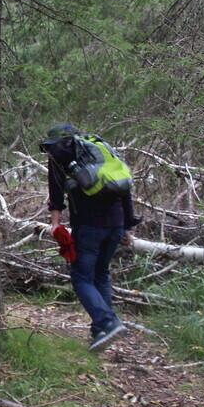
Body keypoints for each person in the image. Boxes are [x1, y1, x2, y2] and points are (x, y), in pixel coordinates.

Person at [41, 124, 139, 352]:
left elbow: (56, 191)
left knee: (82, 279)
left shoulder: (60, 154)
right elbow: (125, 189)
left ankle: (108, 322)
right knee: (101, 274)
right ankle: (100, 332)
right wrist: (127, 226)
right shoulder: (101, 150)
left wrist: (55, 224)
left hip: (88, 225)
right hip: (115, 224)